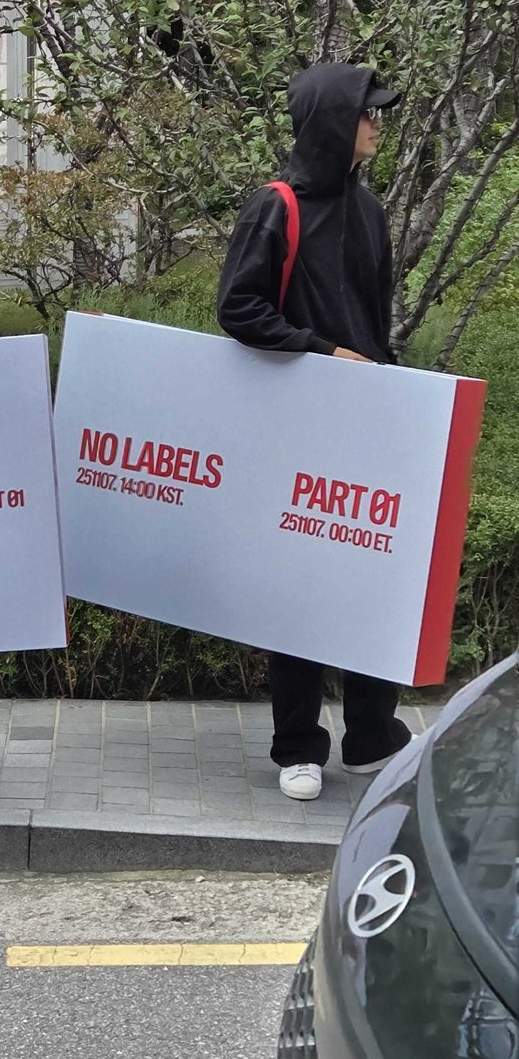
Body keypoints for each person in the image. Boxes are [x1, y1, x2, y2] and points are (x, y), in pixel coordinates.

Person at [217, 63, 413, 801]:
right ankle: (297, 747)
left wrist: (390, 388)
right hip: (295, 426)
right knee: (299, 587)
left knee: (371, 582)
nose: (377, 125)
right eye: (367, 113)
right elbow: (238, 308)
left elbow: (374, 322)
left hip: (365, 426)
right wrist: (322, 352)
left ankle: (372, 739)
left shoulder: (371, 211)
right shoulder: (276, 208)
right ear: (332, 120)